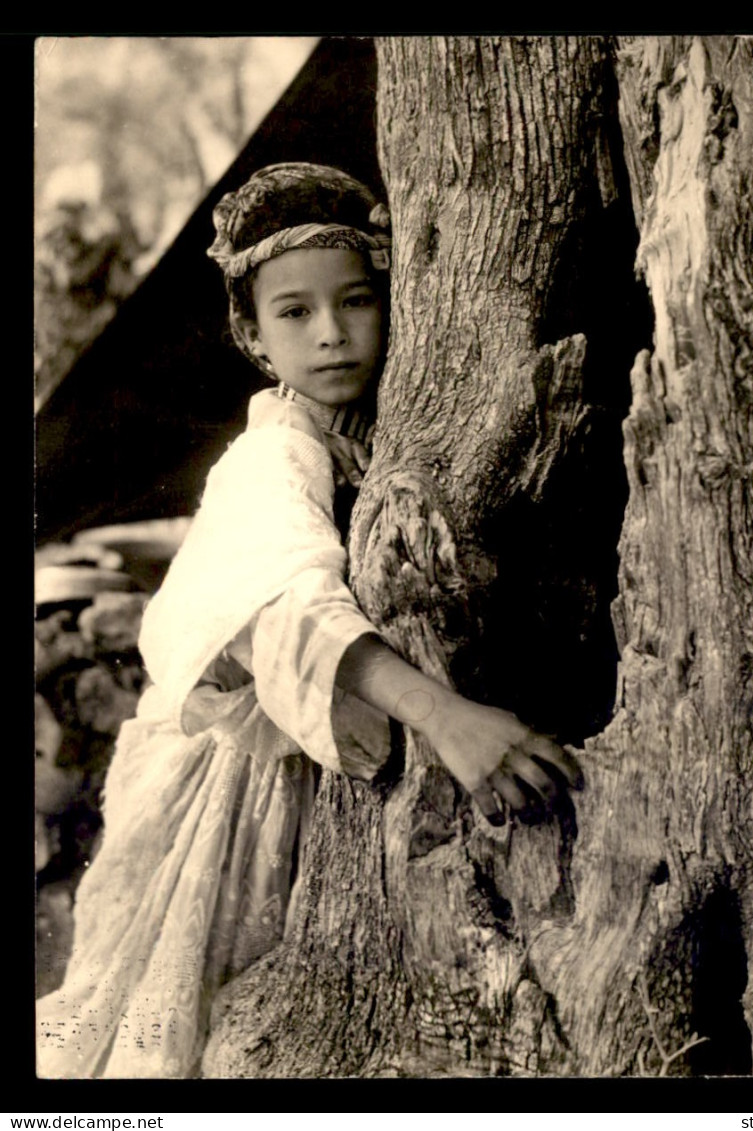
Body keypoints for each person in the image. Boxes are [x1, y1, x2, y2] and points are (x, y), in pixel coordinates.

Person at [36, 163, 581, 1079]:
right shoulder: (270, 457)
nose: (331, 334)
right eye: (294, 313)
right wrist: (445, 716)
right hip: (224, 786)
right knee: (162, 1027)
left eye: (356, 302)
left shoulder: (379, 435)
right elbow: (284, 603)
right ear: (252, 334)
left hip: (309, 767)